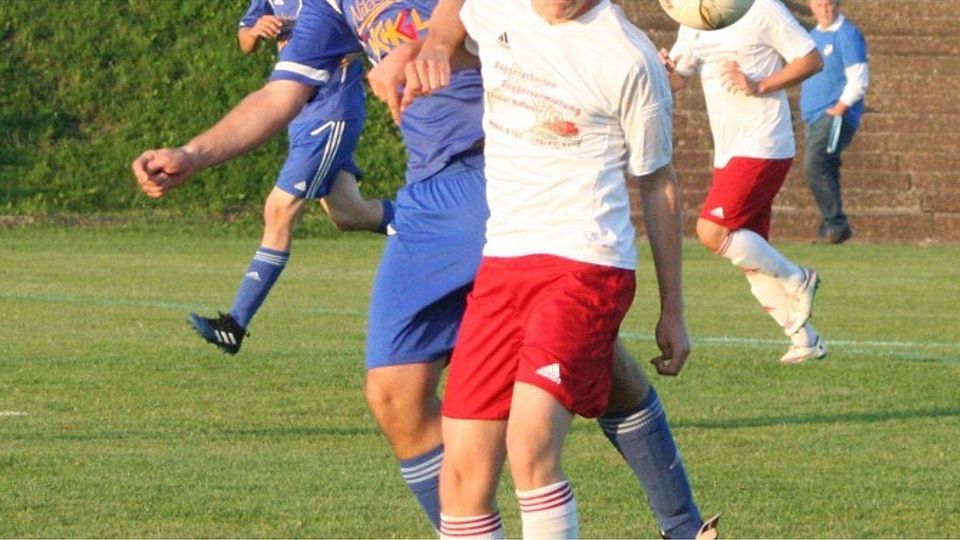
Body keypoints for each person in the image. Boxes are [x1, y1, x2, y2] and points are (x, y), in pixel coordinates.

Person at [371, 1, 718, 538]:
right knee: (462, 476)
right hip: (503, 266)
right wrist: (429, 47)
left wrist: (674, 308)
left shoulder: (629, 58)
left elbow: (658, 181)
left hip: (586, 267)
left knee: (529, 444)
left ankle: (681, 523)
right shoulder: (498, 11)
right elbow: (456, 17)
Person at [137, 0, 394, 355]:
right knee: (350, 213)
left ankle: (234, 324)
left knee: (278, 209)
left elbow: (366, 26)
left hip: (330, 106)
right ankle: (431, 225)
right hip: (298, 112)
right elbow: (245, 38)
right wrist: (256, 31)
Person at [661, 0, 827, 365]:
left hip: (765, 143)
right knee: (751, 258)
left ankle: (798, 277)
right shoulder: (694, 17)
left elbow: (811, 59)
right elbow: (677, 79)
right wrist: (663, 70)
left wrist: (760, 84)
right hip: (729, 150)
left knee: (712, 232)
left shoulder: (762, 7)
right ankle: (805, 341)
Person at [800, 0, 868, 245]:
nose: (824, 10)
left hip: (834, 115)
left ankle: (836, 224)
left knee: (814, 164)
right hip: (814, 116)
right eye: (819, 5)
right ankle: (831, 224)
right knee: (825, 167)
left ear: (837, 5)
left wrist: (840, 107)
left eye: (829, 4)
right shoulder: (813, 36)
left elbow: (858, 76)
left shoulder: (847, 34)